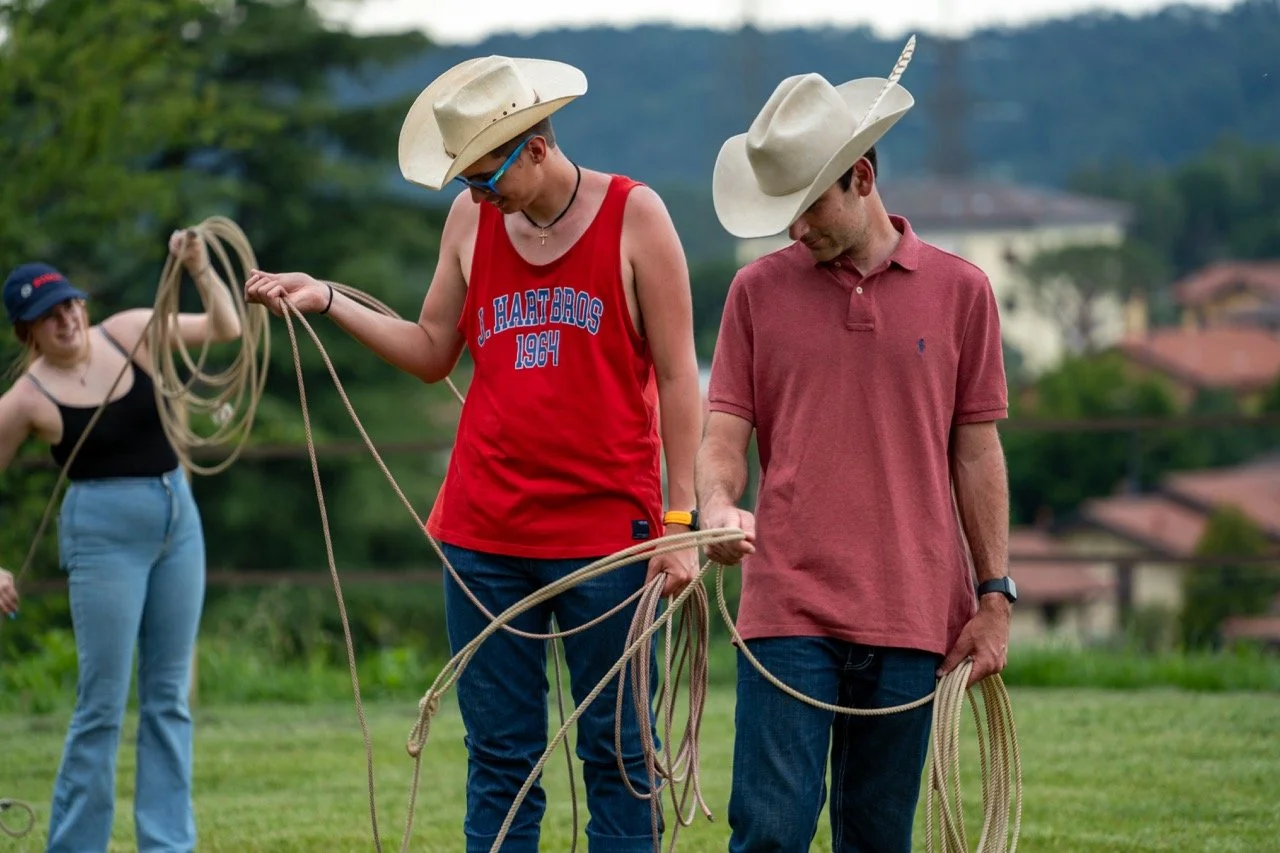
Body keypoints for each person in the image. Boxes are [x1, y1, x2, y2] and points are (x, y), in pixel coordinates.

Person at [243, 55, 702, 853]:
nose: (477, 197)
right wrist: (328, 296)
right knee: (499, 758)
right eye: (466, 183)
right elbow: (430, 350)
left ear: (534, 145)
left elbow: (676, 372)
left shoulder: (637, 216)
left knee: (621, 756)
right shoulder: (469, 221)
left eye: (486, 179)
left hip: (610, 541)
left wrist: (681, 519)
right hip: (483, 535)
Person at [696, 70, 1014, 853]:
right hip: (787, 611)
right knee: (769, 831)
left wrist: (995, 595)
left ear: (862, 176)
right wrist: (713, 505)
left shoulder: (962, 293)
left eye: (807, 207)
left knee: (877, 838)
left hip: (914, 614)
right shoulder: (753, 294)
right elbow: (723, 434)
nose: (793, 230)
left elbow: (977, 453)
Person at [0, 231, 242, 852]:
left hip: (175, 519)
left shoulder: (129, 329)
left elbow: (225, 329)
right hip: (101, 535)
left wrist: (199, 268)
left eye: (70, 304)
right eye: (49, 316)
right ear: (27, 332)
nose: (67, 319)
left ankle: (167, 844)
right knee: (101, 704)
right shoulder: (25, 401)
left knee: (168, 697)